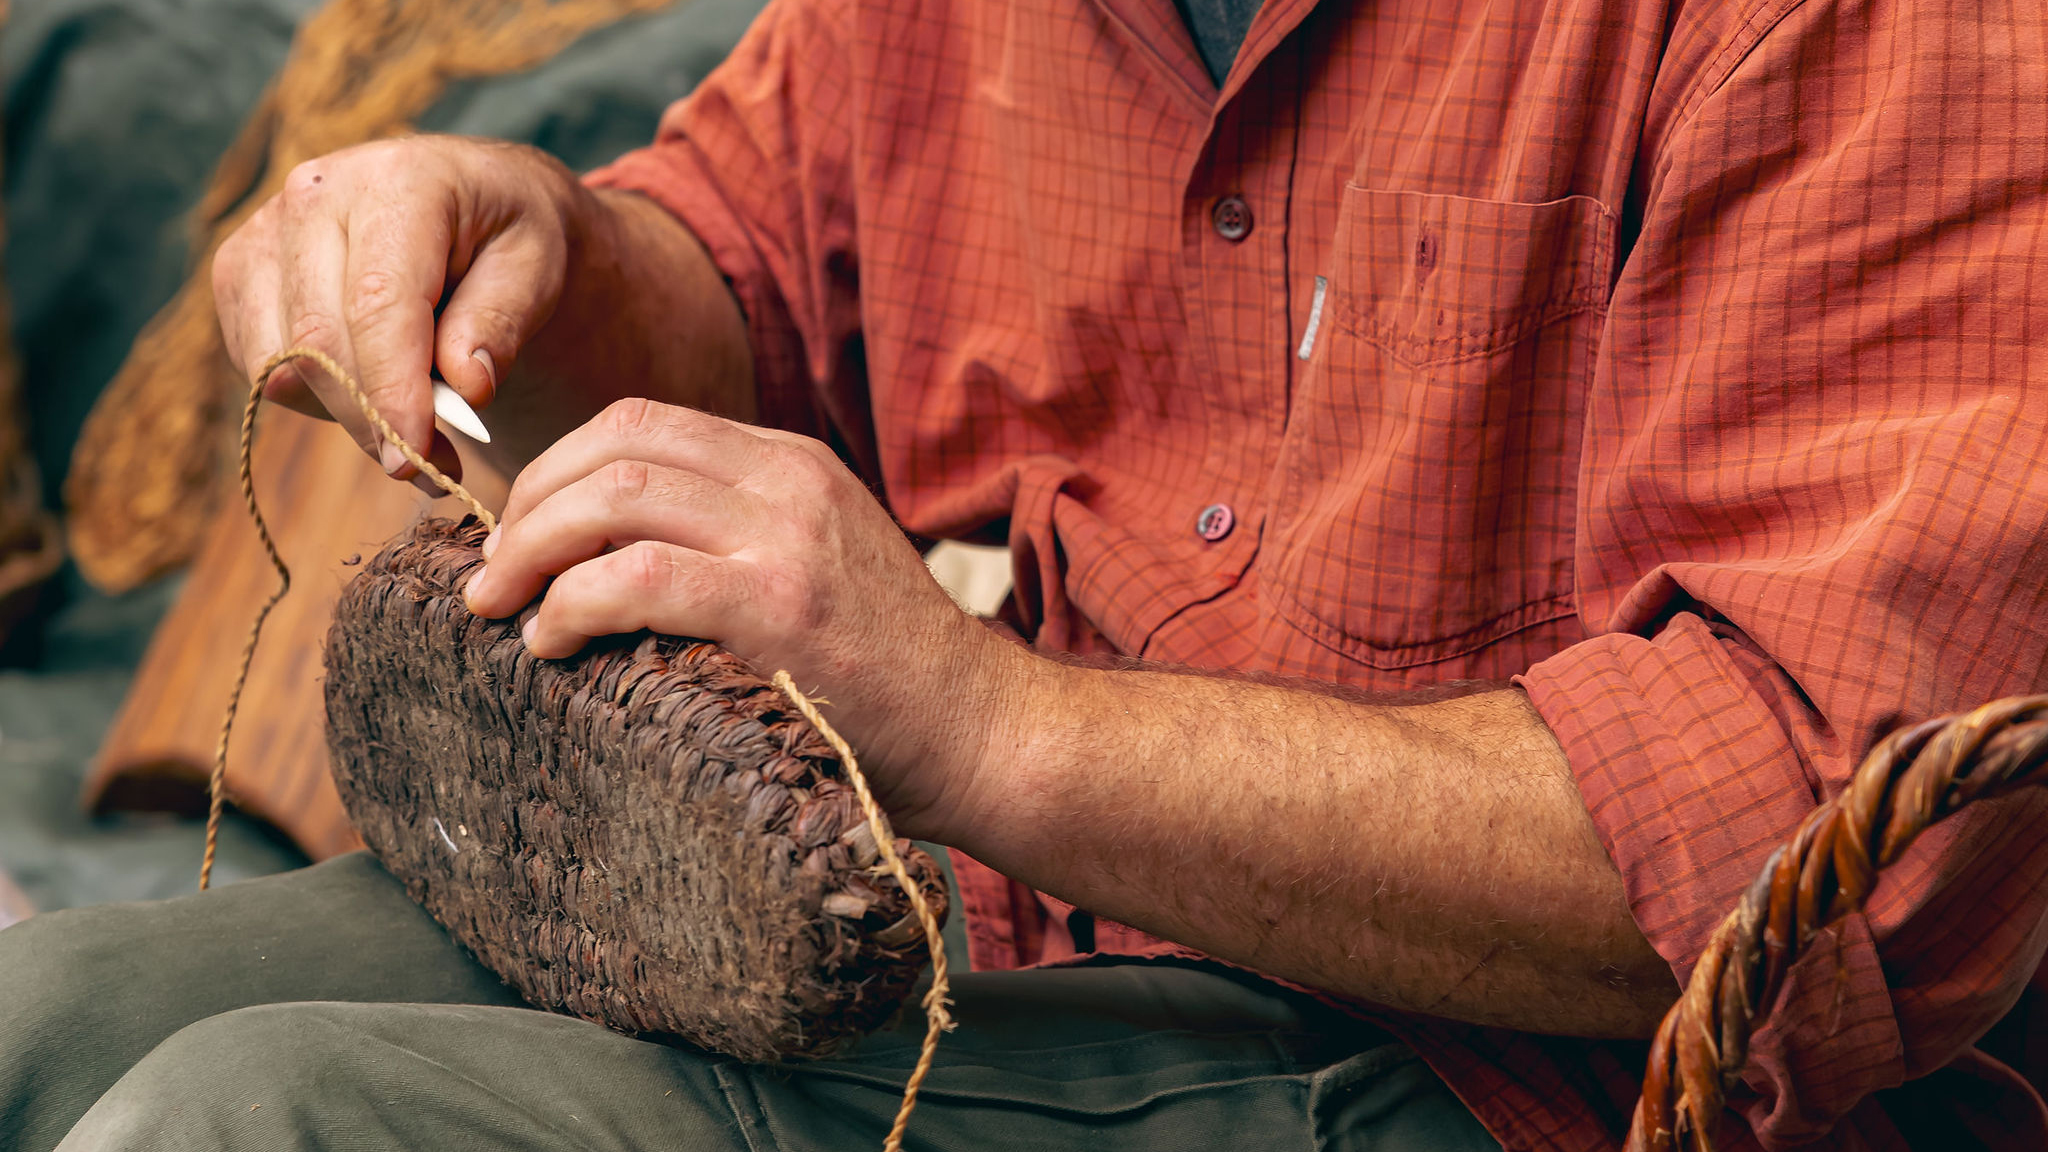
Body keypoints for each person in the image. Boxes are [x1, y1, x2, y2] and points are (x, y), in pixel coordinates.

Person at [5, 0, 2047, 1147]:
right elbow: (735, 254)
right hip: (1001, 936)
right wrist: (523, 233)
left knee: (262, 1128)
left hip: (1526, 1084)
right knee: (40, 1020)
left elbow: (1842, 862)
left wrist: (978, 721)